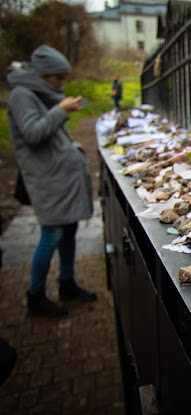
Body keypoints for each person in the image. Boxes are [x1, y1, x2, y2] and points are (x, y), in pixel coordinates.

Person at [6, 45, 96, 317]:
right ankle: (35, 294)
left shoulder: (38, 92)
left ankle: (66, 282)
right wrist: (60, 108)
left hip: (61, 176)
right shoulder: (21, 95)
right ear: (44, 75)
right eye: (59, 78)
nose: (62, 83)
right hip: (47, 180)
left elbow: (52, 135)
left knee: (69, 229)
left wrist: (73, 145)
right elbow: (33, 134)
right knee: (51, 234)